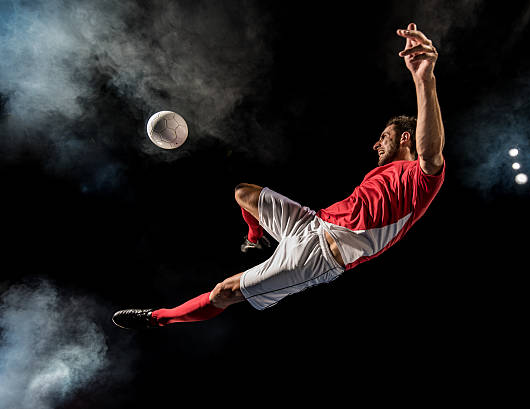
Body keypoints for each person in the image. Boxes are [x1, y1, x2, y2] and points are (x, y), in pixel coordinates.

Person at [112, 23, 445, 329]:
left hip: (319, 257)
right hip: (311, 223)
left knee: (224, 291)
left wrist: (423, 79)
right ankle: (255, 239)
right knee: (243, 192)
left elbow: (430, 152)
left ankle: (158, 318)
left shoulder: (418, 179)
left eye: (385, 136)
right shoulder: (382, 173)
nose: (376, 143)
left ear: (405, 138)